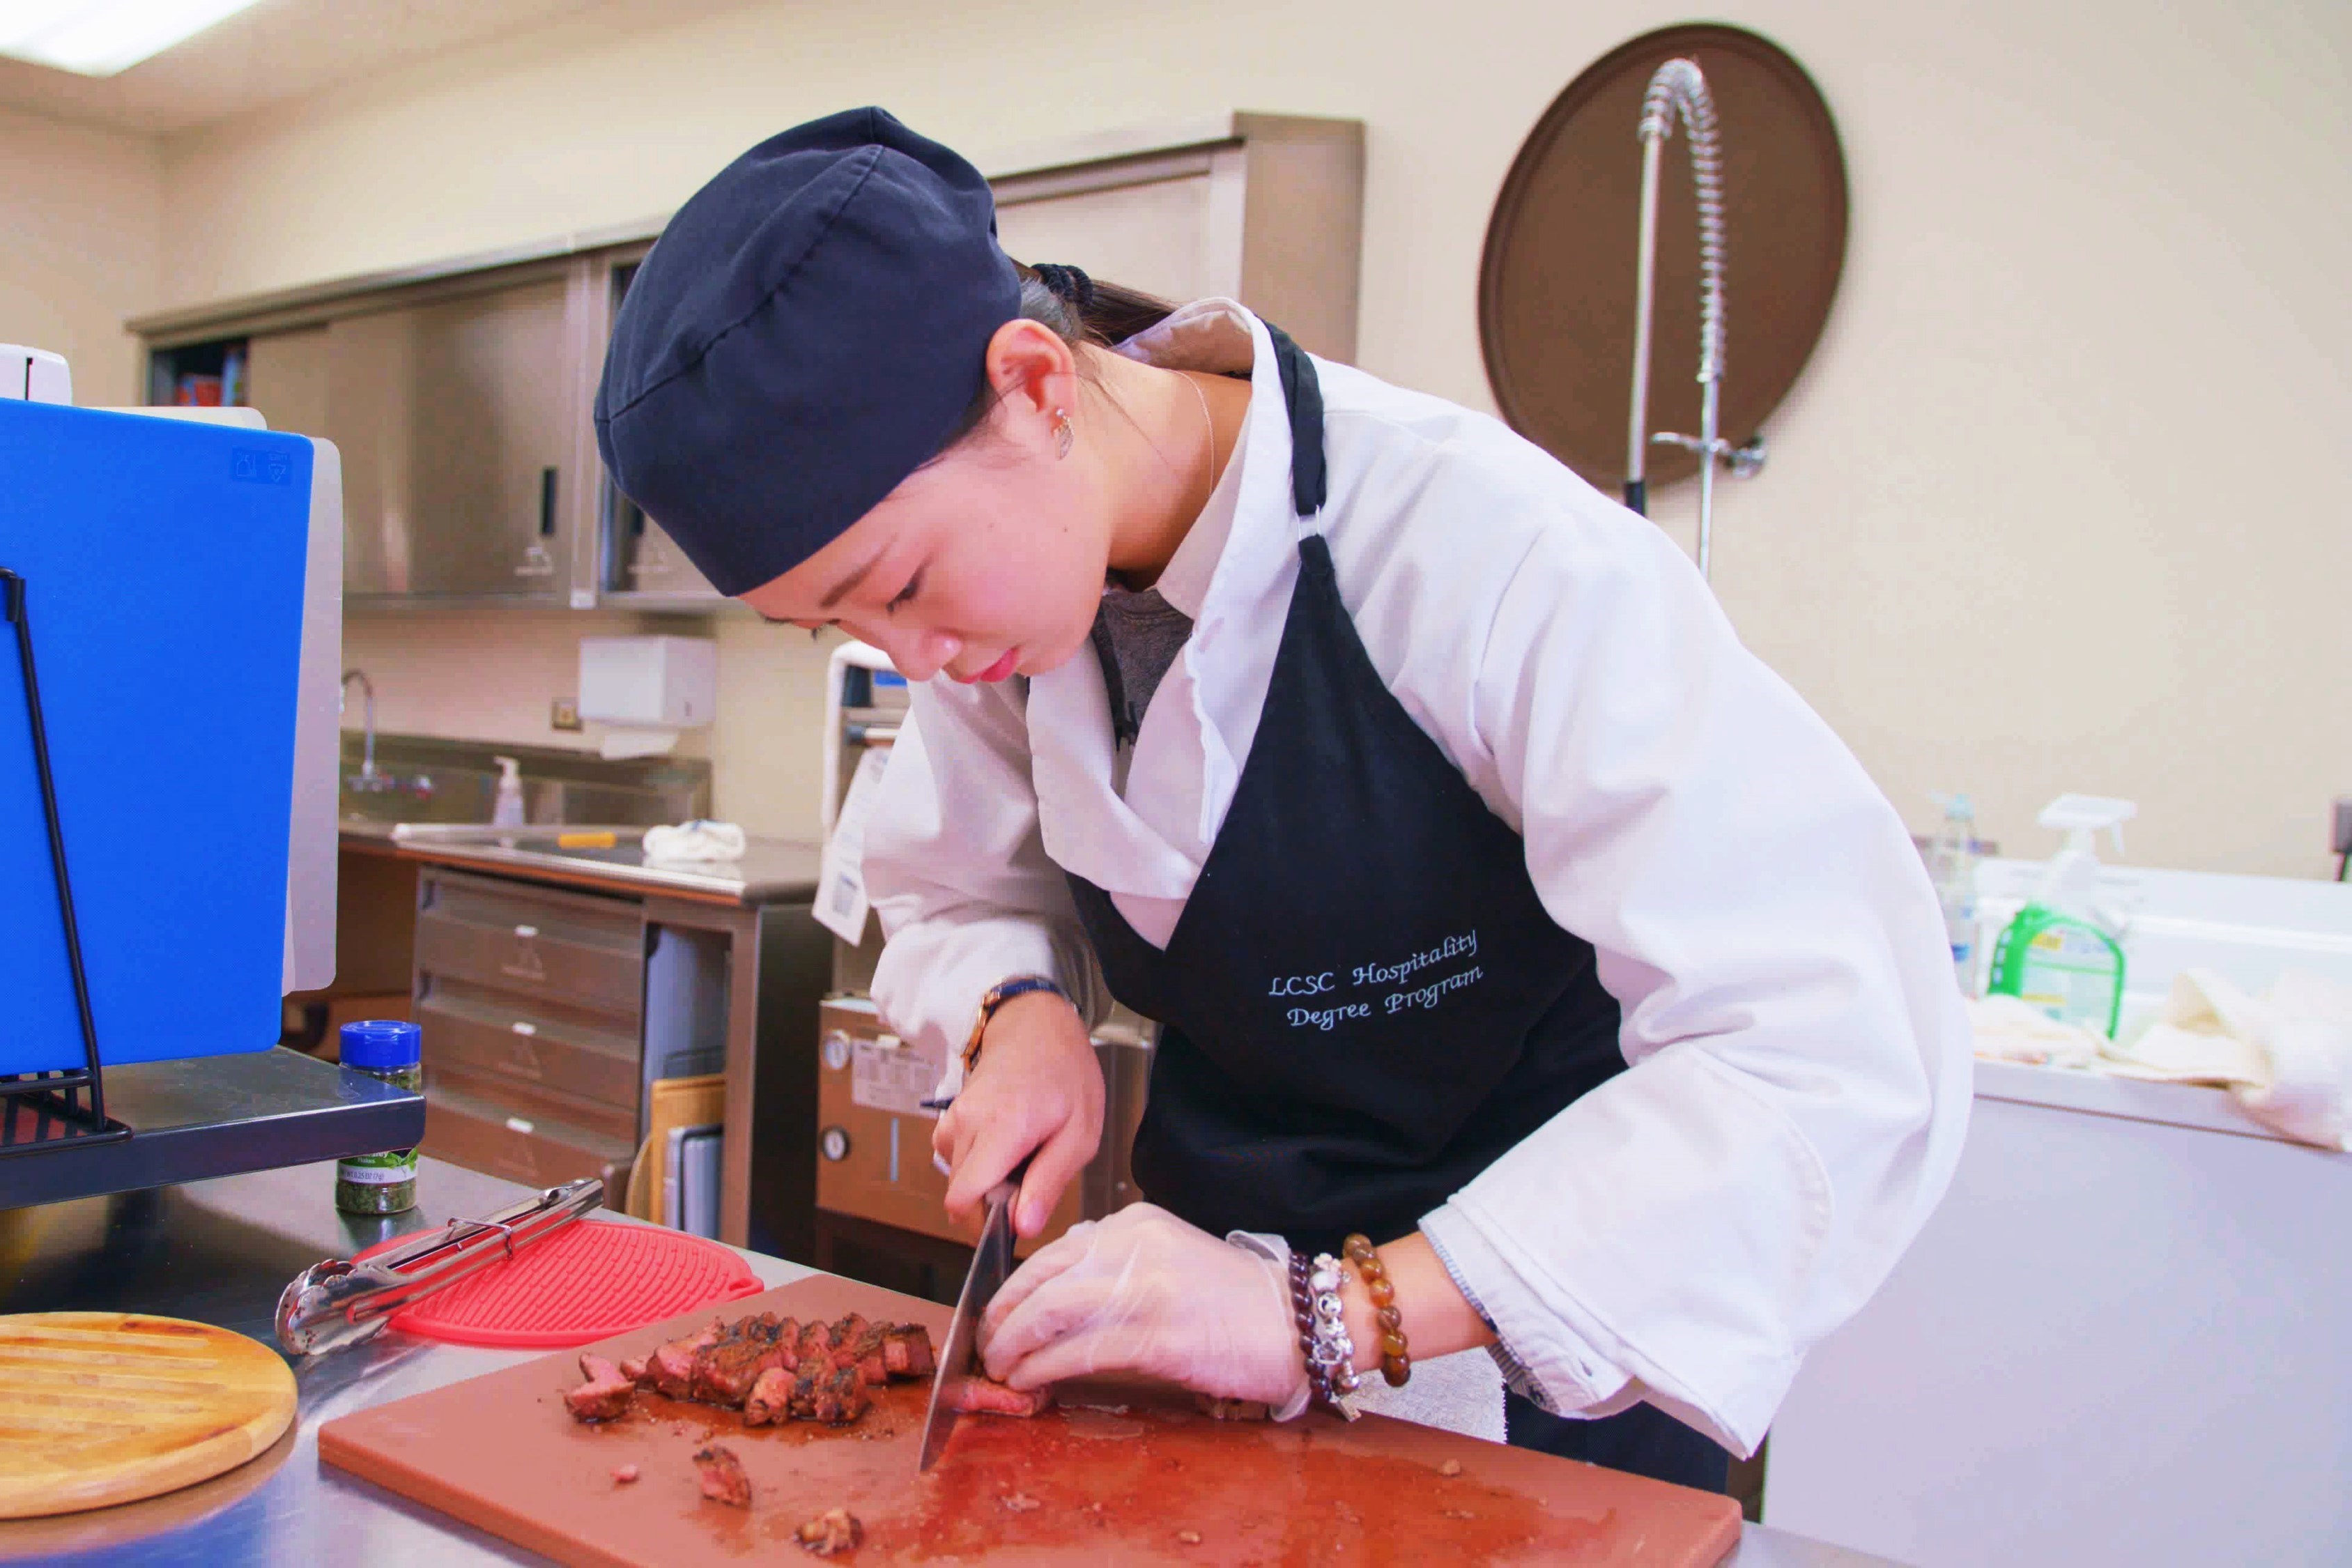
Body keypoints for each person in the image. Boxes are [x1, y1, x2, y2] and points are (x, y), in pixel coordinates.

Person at [595, 106, 1971, 1488]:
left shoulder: (1484, 556)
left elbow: (1818, 1053)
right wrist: (1016, 1017)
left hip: (1544, 1381)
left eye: (898, 585)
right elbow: (946, 881)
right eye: (833, 627)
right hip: (1206, 1361)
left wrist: (1332, 1315)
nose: (914, 662)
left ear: (1033, 385)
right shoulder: (1003, 610)